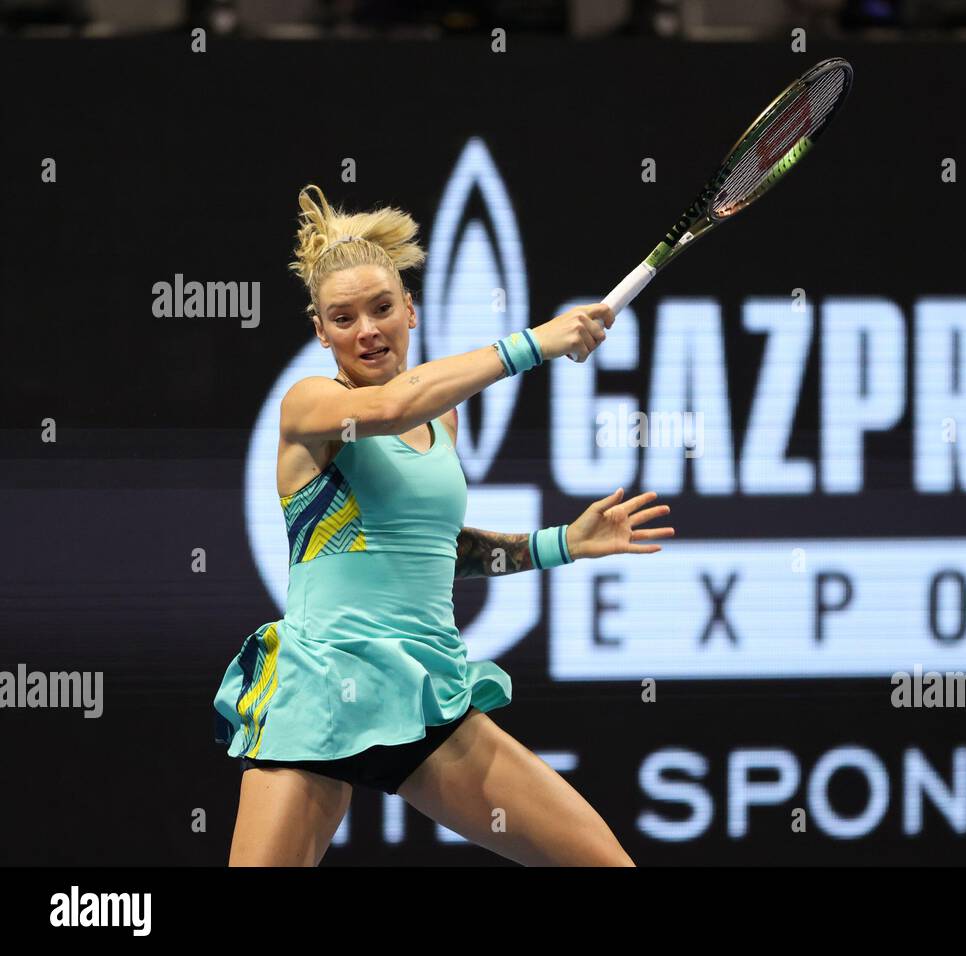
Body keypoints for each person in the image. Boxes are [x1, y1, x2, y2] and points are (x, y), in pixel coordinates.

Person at [212, 184, 674, 866]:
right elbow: (396, 402)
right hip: (320, 697)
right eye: (343, 318)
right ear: (320, 330)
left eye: (381, 308)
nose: (366, 329)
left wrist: (561, 545)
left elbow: (435, 551)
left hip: (426, 695)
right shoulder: (312, 407)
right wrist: (534, 343)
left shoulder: (442, 421)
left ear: (410, 311)